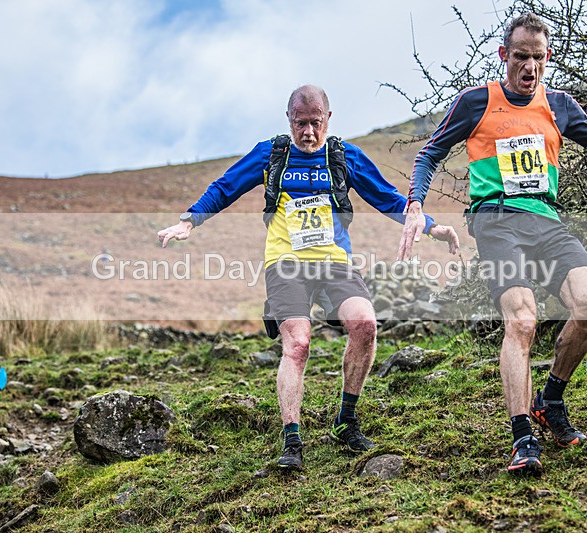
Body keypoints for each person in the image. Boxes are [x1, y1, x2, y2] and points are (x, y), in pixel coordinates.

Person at [397, 13, 587, 476]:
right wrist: (414, 204)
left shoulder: (559, 104)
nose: (529, 66)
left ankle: (550, 401)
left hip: (546, 222)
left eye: (538, 58)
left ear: (547, 59)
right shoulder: (476, 101)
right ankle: (523, 436)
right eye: (521, 56)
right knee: (522, 320)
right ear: (505, 56)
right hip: (497, 222)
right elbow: (429, 153)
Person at [158, 85, 459, 470]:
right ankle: (292, 441)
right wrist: (189, 222)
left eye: (316, 124)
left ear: (328, 119)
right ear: (289, 120)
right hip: (285, 264)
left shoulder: (345, 157)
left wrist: (429, 226)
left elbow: (387, 197)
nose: (309, 133)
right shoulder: (272, 154)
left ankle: (346, 422)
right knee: (298, 343)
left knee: (365, 325)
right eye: (301, 124)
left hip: (335, 262)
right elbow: (225, 187)